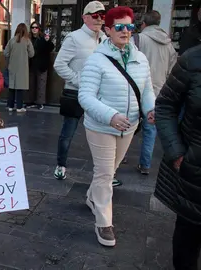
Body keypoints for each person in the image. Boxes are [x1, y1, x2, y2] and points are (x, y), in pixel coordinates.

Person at [78, 6, 155, 247]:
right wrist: (110, 116)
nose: (125, 31)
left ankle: (92, 197)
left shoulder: (140, 58)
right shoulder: (97, 60)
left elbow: (147, 90)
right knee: (104, 174)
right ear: (108, 30)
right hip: (101, 127)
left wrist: (150, 109)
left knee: (109, 171)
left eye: (129, 26)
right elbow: (86, 97)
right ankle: (104, 222)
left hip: (128, 127)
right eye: (119, 27)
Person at [154, 44, 201, 270]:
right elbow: (165, 105)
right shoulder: (192, 60)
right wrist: (177, 153)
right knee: (187, 246)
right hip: (195, 173)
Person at [53, 1, 108, 182]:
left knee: (102, 135)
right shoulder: (74, 38)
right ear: (85, 17)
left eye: (102, 16)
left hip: (98, 95)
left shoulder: (106, 39)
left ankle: (105, 173)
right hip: (76, 93)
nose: (99, 19)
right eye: (95, 16)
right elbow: (59, 64)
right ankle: (61, 165)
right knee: (68, 132)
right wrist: (80, 81)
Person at [129, 10, 177, 175]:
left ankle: (119, 156)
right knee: (150, 129)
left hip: (136, 89)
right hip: (158, 91)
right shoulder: (169, 45)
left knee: (127, 124)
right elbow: (172, 72)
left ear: (144, 24)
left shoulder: (138, 39)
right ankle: (145, 164)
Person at [4, 23, 35, 113]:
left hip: (12, 67)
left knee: (12, 87)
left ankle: (10, 106)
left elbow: (6, 53)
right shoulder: (27, 41)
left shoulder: (12, 40)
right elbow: (32, 54)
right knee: (20, 88)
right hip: (22, 68)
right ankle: (19, 107)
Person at [27, 21, 54, 110]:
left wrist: (47, 41)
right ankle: (30, 101)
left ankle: (40, 102)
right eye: (32, 27)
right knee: (31, 84)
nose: (34, 29)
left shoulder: (43, 38)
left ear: (39, 29)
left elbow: (50, 47)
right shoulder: (28, 39)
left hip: (42, 65)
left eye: (36, 27)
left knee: (41, 84)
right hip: (31, 65)